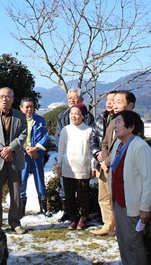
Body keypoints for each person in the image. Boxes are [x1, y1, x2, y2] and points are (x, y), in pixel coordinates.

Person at [108, 110, 151, 265]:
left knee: (133, 243)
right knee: (123, 241)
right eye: (114, 122)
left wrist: (145, 208)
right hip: (120, 203)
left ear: (130, 127)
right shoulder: (118, 144)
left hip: (133, 205)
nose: (115, 126)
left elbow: (150, 179)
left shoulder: (140, 147)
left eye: (118, 122)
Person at [0, 87, 28, 235]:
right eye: (2, 96)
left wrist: (11, 149)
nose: (5, 99)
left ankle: (15, 222)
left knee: (16, 193)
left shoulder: (21, 116)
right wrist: (2, 150)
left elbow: (23, 135)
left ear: (13, 99)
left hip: (15, 159)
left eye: (8, 96)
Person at [55, 88, 95, 222]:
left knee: (83, 192)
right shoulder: (62, 116)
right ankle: (69, 213)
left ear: (81, 100)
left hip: (83, 161)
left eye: (75, 98)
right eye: (69, 98)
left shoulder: (87, 116)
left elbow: (91, 141)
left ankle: (83, 217)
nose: (72, 100)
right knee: (66, 189)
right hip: (68, 161)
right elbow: (59, 137)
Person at [90, 91, 117, 235]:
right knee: (104, 197)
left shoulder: (122, 120)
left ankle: (118, 227)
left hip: (114, 164)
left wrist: (106, 157)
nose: (109, 103)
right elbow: (93, 137)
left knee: (116, 198)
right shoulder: (101, 117)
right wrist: (97, 153)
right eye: (107, 100)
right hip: (101, 162)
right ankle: (108, 225)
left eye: (113, 100)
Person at [19, 97, 51, 217]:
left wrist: (35, 148)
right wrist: (26, 148)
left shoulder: (40, 120)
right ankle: (21, 208)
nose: (29, 109)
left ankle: (43, 207)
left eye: (31, 106)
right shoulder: (17, 121)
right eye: (26, 106)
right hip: (23, 154)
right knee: (22, 179)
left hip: (37, 153)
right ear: (21, 108)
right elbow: (14, 137)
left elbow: (45, 136)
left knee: (39, 179)